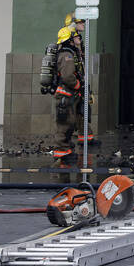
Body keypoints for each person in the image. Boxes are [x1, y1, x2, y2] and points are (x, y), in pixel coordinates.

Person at [50, 17, 88, 164]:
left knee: (70, 121)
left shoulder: (70, 53)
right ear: (70, 39)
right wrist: (78, 84)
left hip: (69, 95)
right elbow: (67, 76)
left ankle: (66, 149)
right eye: (75, 36)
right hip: (65, 94)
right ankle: (61, 152)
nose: (78, 38)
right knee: (64, 123)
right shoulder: (66, 55)